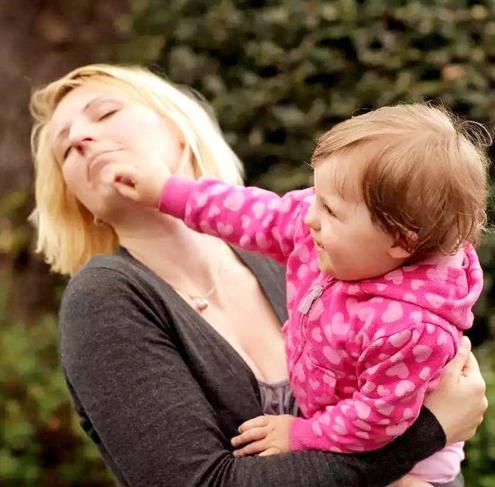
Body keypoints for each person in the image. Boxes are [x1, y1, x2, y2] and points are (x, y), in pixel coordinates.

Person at [29, 64, 487, 487]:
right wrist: (430, 432)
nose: (82, 138)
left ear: (179, 128)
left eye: (105, 113)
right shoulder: (105, 298)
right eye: (64, 147)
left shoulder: (308, 261)